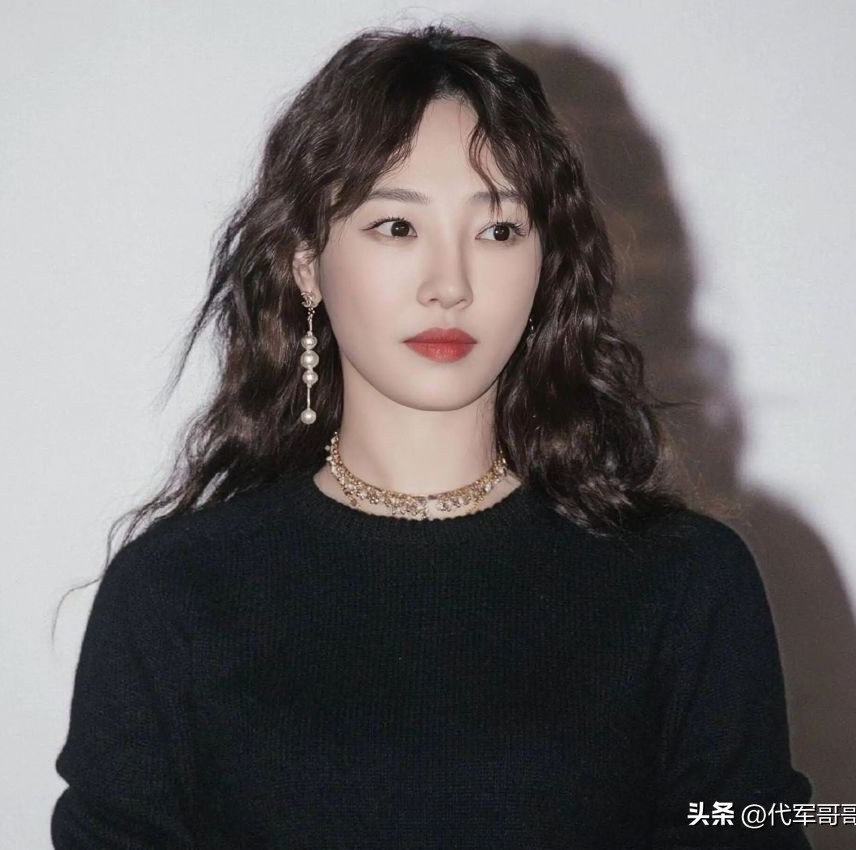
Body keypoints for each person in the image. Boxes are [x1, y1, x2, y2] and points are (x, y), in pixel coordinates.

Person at [51, 23, 814, 849]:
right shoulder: (174, 596)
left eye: (498, 231)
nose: (450, 286)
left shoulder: (684, 584)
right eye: (396, 227)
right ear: (307, 264)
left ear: (546, 266)